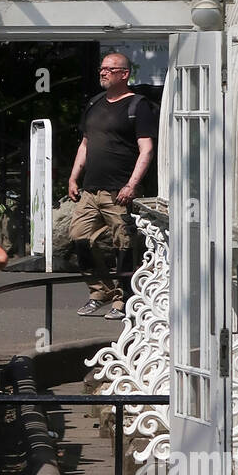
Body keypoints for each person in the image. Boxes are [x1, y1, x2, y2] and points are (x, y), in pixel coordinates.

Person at [67, 52, 156, 319]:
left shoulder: (138, 106)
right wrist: (73, 177)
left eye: (109, 69)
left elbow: (147, 149)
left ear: (124, 74)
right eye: (101, 68)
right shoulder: (94, 103)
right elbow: (85, 143)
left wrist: (132, 185)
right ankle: (99, 291)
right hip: (91, 189)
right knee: (78, 237)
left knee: (125, 244)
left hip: (120, 190)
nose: (103, 73)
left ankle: (124, 298)